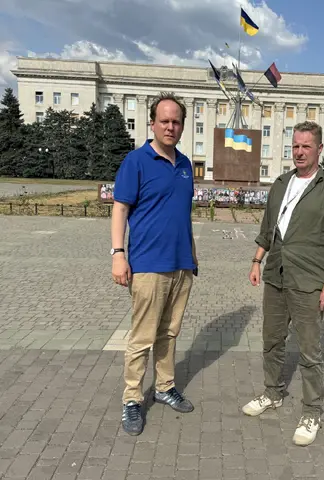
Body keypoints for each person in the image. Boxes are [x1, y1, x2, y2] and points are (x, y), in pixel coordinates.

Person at [242, 121, 324, 446]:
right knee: (272, 340)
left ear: (319, 149)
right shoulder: (280, 184)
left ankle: (312, 411)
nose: (300, 152)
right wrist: (257, 260)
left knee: (309, 351)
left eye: (306, 146)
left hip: (309, 280)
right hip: (276, 275)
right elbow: (267, 229)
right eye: (296, 146)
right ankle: (272, 393)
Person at [111, 92, 198, 436]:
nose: (170, 127)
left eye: (176, 121)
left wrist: (192, 253)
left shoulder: (186, 164)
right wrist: (118, 254)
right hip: (147, 265)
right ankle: (132, 399)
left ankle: (164, 387)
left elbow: (183, 214)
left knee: (170, 332)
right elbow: (120, 208)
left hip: (180, 265)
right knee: (142, 337)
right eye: (164, 120)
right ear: (152, 123)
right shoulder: (136, 161)